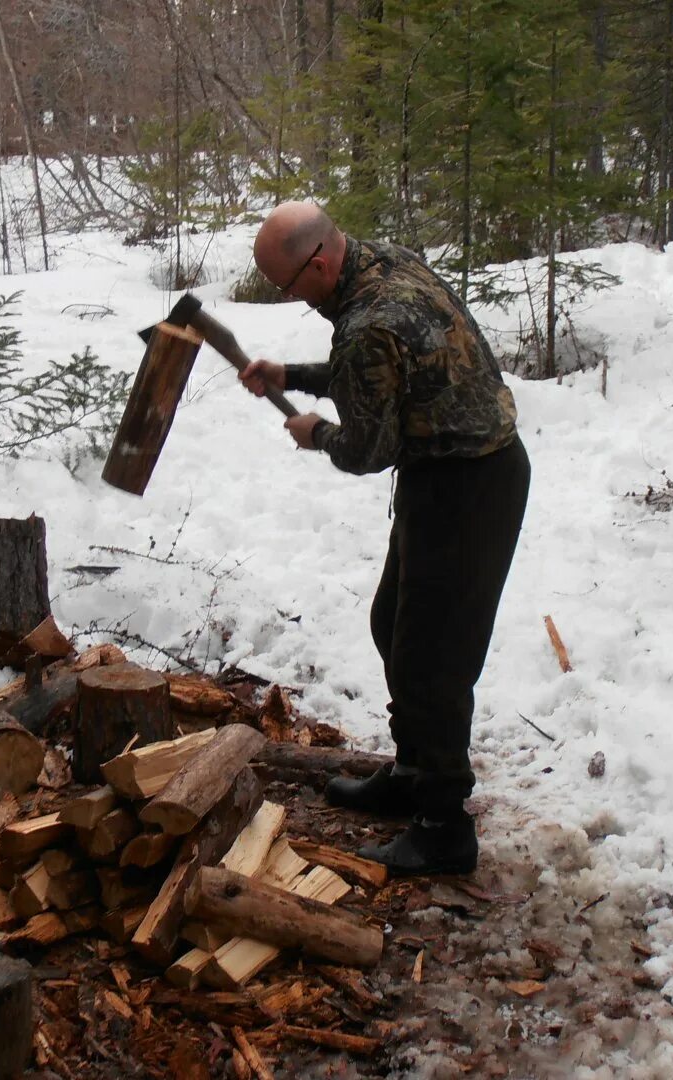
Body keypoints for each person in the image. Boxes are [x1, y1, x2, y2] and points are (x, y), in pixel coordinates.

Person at [241, 202, 530, 876]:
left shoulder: (369, 321)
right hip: (444, 474)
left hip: (469, 485)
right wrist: (291, 376)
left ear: (320, 261)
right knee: (392, 624)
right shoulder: (382, 264)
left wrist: (315, 432)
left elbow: (368, 446)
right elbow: (380, 371)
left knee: (434, 663)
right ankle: (410, 771)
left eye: (289, 285)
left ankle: (443, 825)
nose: (293, 299)